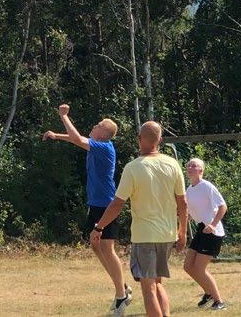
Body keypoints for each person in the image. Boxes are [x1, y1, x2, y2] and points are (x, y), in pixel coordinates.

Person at [91, 121, 187, 317]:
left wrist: (99, 227)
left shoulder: (133, 167)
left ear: (139, 140)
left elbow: (117, 204)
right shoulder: (173, 164)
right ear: (160, 140)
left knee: (148, 287)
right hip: (167, 234)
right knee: (157, 282)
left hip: (144, 236)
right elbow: (182, 202)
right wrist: (182, 231)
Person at [42, 103, 131, 313]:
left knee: (107, 249)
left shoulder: (105, 147)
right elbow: (78, 140)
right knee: (96, 246)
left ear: (105, 133)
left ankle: (121, 296)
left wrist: (64, 116)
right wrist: (57, 135)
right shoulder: (96, 144)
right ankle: (123, 287)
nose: (94, 125)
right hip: (96, 204)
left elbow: (77, 138)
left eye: (98, 125)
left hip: (107, 205)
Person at [183, 157, 228, 310]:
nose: (190, 167)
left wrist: (213, 224)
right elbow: (189, 214)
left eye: (194, 165)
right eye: (189, 165)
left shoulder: (207, 186)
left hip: (213, 232)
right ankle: (208, 293)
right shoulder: (189, 189)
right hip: (201, 230)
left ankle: (219, 301)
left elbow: (223, 207)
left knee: (200, 268)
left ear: (201, 170)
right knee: (188, 266)